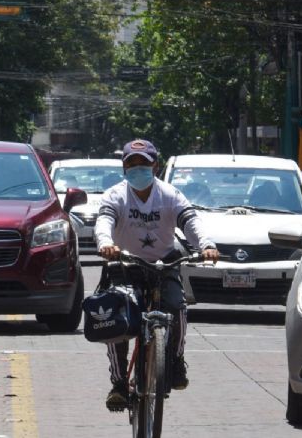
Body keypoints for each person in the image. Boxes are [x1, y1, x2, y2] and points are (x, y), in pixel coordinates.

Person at [95, 139, 219, 411]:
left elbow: (190, 222)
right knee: (116, 319)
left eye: (143, 164)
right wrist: (106, 243)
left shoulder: (170, 195)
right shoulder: (115, 195)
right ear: (124, 168)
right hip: (125, 265)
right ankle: (118, 383)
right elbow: (104, 221)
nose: (138, 169)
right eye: (132, 164)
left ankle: (175, 362)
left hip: (164, 264)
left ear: (156, 166)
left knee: (178, 307)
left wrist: (207, 246)